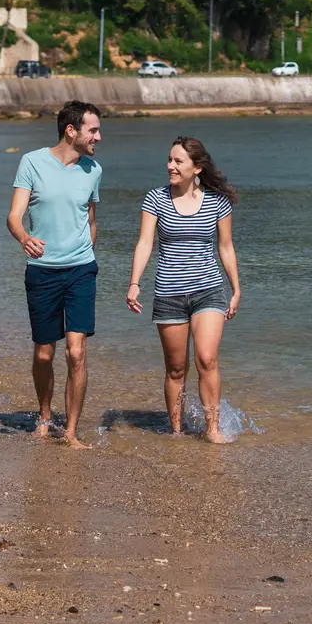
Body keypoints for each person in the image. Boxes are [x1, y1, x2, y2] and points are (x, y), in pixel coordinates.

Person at [125, 137, 241, 443]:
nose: (170, 166)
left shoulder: (218, 202)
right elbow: (145, 243)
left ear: (197, 168)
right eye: (169, 160)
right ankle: (176, 431)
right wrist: (134, 282)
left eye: (178, 161)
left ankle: (212, 429)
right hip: (169, 294)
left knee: (206, 359)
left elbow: (226, 247)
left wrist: (236, 288)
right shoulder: (155, 199)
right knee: (176, 368)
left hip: (209, 291)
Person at [6, 100, 103, 449]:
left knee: (76, 352)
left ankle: (72, 431)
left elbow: (90, 222)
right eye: (93, 130)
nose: (98, 137)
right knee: (45, 353)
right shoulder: (31, 162)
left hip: (81, 271)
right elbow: (14, 216)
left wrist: (87, 256)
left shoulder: (94, 170)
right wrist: (24, 238)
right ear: (71, 131)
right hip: (42, 272)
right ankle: (45, 416)